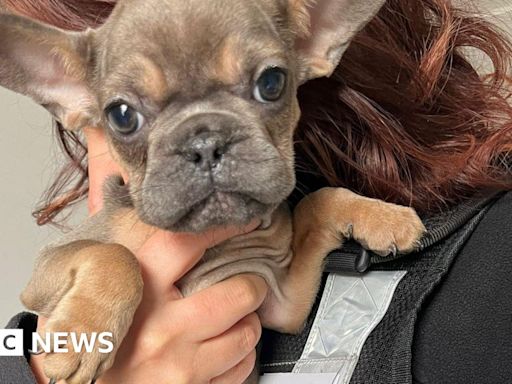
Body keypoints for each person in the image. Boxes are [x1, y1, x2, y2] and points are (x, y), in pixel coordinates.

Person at [1, 0, 511, 383]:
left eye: (264, 86)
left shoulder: (488, 272)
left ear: (313, 38)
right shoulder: (110, 238)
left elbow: (283, 306)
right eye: (126, 117)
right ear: (76, 105)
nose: (203, 148)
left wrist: (327, 211)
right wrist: (40, 365)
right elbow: (9, 340)